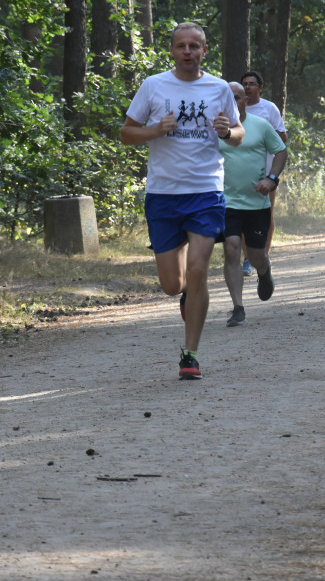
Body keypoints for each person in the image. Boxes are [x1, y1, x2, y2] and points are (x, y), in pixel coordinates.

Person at [120, 21, 244, 380]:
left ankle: (190, 355)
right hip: (163, 194)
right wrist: (155, 130)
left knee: (200, 269)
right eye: (181, 46)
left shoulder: (218, 88)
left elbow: (237, 134)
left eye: (195, 46)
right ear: (172, 51)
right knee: (172, 283)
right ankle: (186, 293)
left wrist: (227, 131)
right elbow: (126, 133)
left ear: (205, 50)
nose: (188, 52)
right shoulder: (154, 86)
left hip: (205, 190)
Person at [220, 82, 287, 327]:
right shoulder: (213, 129)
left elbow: (280, 150)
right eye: (229, 97)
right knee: (231, 247)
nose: (234, 101)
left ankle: (264, 271)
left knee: (256, 254)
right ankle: (238, 307)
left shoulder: (260, 126)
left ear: (245, 100)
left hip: (257, 204)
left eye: (238, 97)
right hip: (226, 203)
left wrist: (271, 179)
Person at [239, 70, 287, 276]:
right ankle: (248, 259)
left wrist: (263, 143)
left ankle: (263, 256)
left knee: (265, 215)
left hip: (266, 172)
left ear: (260, 88)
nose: (248, 87)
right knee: (240, 217)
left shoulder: (269, 109)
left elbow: (282, 138)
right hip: (238, 172)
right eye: (244, 84)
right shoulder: (233, 108)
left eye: (252, 84)